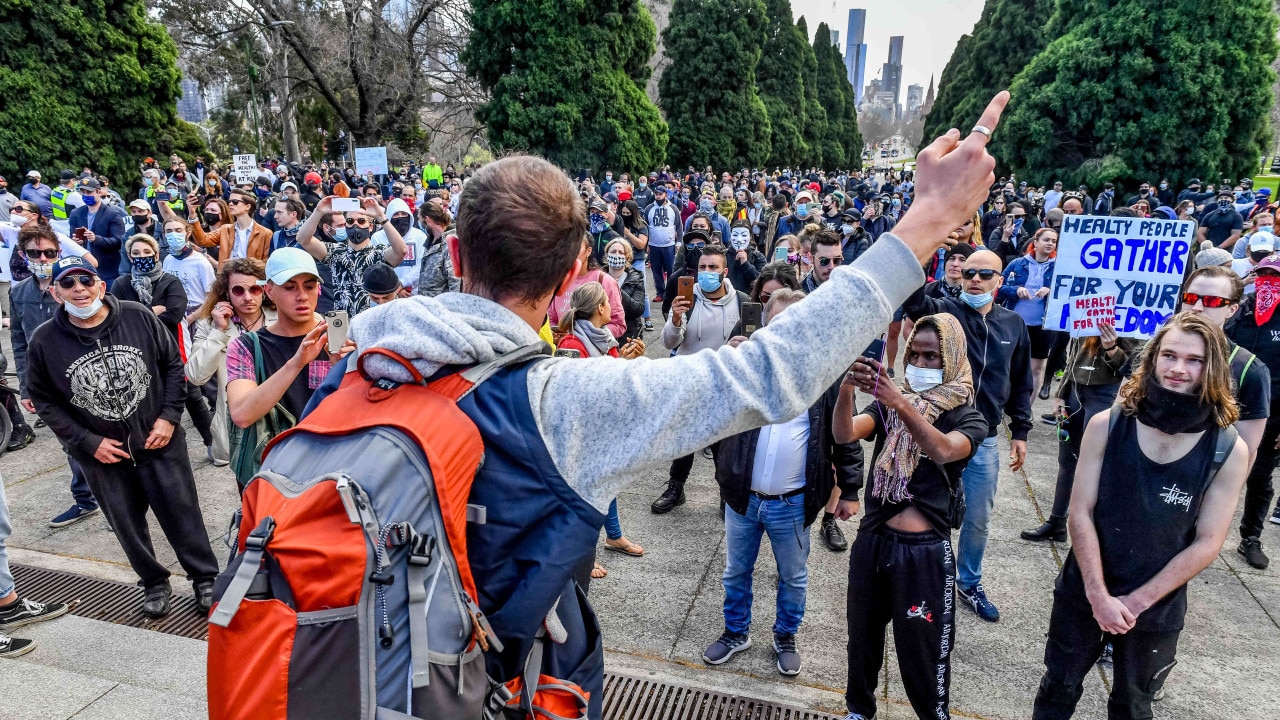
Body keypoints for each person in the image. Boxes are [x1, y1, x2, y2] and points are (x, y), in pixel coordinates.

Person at [292, 94, 1008, 718]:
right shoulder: (563, 401)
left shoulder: (358, 365)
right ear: (575, 272)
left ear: (452, 250)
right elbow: (772, 371)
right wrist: (929, 218)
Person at [1031, 313, 1247, 720]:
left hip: (1155, 609)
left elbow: (1208, 542)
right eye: (1169, 355)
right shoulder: (1106, 425)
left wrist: (1134, 602)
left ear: (1213, 366)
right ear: (1152, 359)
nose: (1178, 369)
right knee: (1056, 691)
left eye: (1195, 360)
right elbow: (1080, 512)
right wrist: (1098, 596)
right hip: (1084, 593)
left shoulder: (1228, 449)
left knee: (1133, 705)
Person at [25, 256, 220, 617]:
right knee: (126, 523)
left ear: (101, 285)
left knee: (182, 513)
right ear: (55, 292)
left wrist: (168, 418)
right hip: (103, 454)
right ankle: (153, 582)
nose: (79, 289)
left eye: (86, 280)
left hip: (158, 441)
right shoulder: (44, 340)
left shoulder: (137, 315)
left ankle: (205, 578)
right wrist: (86, 441)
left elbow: (173, 367)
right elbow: (43, 400)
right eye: (68, 284)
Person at [836, 313, 988, 720]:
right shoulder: (889, 404)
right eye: (914, 356)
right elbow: (845, 433)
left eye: (931, 357)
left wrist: (899, 402)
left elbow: (942, 450)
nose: (920, 366)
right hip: (875, 541)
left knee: (924, 649)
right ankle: (858, 710)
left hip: (923, 555)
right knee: (862, 638)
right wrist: (846, 390)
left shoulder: (967, 416)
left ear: (953, 358)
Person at [704, 288, 863, 675]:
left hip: (792, 504)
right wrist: (729, 362)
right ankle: (735, 632)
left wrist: (852, 490)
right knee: (735, 571)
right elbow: (710, 415)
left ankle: (785, 636)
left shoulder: (827, 378)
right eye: (778, 326)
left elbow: (845, 437)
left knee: (793, 576)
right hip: (743, 499)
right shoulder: (745, 369)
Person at [903, 249, 1034, 622]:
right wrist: (922, 249)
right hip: (938, 431)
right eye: (969, 272)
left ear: (1000, 280)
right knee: (923, 509)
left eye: (985, 274)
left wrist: (1020, 431)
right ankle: (923, 577)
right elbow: (915, 302)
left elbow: (1021, 382)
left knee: (978, 517)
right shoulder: (945, 312)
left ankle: (969, 581)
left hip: (985, 440)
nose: (975, 279)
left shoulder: (1013, 325)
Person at [553, 282, 646, 579]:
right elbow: (574, 391)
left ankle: (614, 535)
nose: (612, 306)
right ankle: (583, 556)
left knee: (607, 483)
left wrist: (626, 361)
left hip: (600, 429)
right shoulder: (571, 345)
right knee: (585, 496)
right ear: (599, 309)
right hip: (581, 434)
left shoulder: (603, 338)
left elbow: (612, 381)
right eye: (608, 301)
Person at [652, 243, 748, 514]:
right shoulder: (687, 299)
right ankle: (676, 487)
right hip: (690, 382)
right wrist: (676, 318)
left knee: (722, 446)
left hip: (724, 385)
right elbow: (669, 342)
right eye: (702, 267)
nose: (706, 272)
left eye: (712, 267)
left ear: (724, 271)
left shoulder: (740, 301)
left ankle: (725, 493)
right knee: (684, 441)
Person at [186, 258, 276, 468]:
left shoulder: (281, 318)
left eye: (255, 289)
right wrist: (218, 332)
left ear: (265, 290)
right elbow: (196, 376)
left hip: (280, 414)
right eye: (238, 291)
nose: (247, 297)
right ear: (226, 293)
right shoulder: (210, 326)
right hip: (239, 423)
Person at [1224, 256, 1280, 568]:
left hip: (1272, 413)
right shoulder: (1239, 312)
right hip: (1229, 406)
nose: (1269, 280)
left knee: (1260, 477)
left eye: (1275, 275)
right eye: (1263, 274)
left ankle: (1251, 536)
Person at [293, 196, 407, 315]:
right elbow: (303, 239)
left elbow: (401, 251)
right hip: (343, 324)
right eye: (350, 221)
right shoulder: (334, 252)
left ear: (371, 226)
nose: (355, 225)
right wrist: (318, 211)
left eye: (361, 221)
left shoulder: (379, 253)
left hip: (372, 320)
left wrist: (380, 216)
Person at [999, 227, 1057, 398]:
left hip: (1042, 324)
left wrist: (1051, 291)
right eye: (1046, 240)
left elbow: (1067, 293)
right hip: (1015, 322)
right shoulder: (1017, 264)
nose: (1050, 244)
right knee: (1009, 364)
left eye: (1054, 241)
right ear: (1035, 242)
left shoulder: (1059, 267)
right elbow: (998, 288)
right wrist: (1016, 290)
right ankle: (1005, 403)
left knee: (1037, 368)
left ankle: (1027, 410)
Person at [549, 236, 627, 339]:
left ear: (588, 251)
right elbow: (551, 320)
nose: (571, 253)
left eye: (576, 248)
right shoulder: (557, 280)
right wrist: (555, 335)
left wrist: (586, 338)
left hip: (594, 353)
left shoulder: (604, 281)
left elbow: (618, 325)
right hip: (563, 350)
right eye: (567, 248)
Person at [194, 188, 272, 266]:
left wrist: (238, 264)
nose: (230, 204)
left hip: (251, 277)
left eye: (235, 202)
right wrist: (192, 215)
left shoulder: (265, 233)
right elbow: (203, 240)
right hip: (226, 277)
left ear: (247, 207)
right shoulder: (225, 229)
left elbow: (266, 264)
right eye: (229, 201)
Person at [160, 218, 216, 314]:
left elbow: (211, 296)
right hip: (174, 313)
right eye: (169, 231)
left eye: (178, 230)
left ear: (188, 233)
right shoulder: (168, 260)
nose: (174, 234)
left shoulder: (200, 262)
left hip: (196, 314)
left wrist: (191, 318)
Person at [603, 238, 646, 343]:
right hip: (603, 335)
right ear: (607, 255)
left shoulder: (636, 278)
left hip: (628, 335)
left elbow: (638, 309)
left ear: (627, 257)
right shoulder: (598, 277)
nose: (616, 255)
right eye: (613, 252)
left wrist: (614, 288)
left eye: (621, 252)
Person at [415, 200, 459, 298]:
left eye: (420, 219)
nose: (419, 223)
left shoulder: (451, 243)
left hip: (443, 307)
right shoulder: (430, 242)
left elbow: (455, 281)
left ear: (427, 219)